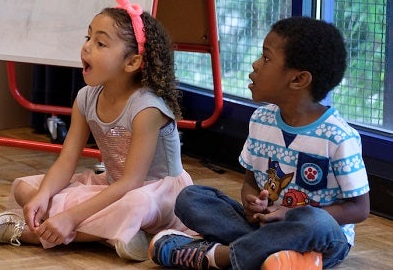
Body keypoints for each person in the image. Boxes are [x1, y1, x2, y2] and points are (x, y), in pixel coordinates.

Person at [149, 16, 370, 270]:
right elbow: (250, 182)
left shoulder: (339, 137)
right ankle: (281, 259)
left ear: (298, 80)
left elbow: (360, 208)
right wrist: (253, 203)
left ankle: (217, 257)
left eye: (266, 58)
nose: (255, 64)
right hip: (266, 226)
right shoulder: (261, 119)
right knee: (190, 198)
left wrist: (290, 215)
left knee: (314, 222)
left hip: (320, 239)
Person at [0, 0, 194, 261]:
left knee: (134, 204)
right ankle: (116, 236)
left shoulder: (147, 109)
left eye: (100, 43)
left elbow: (132, 183)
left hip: (157, 195)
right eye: (88, 38)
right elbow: (66, 161)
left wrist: (70, 217)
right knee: (26, 189)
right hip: (112, 185)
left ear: (131, 63)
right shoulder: (86, 98)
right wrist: (44, 195)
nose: (86, 48)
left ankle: (35, 235)